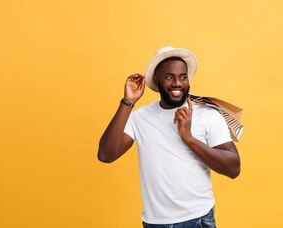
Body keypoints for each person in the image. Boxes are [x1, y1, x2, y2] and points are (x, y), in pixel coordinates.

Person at [98, 46, 241, 228]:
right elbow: (106, 154)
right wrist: (128, 102)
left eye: (183, 77)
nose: (177, 83)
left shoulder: (207, 114)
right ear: (156, 80)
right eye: (169, 77)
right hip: (155, 223)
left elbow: (233, 168)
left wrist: (188, 138)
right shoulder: (140, 117)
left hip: (198, 219)